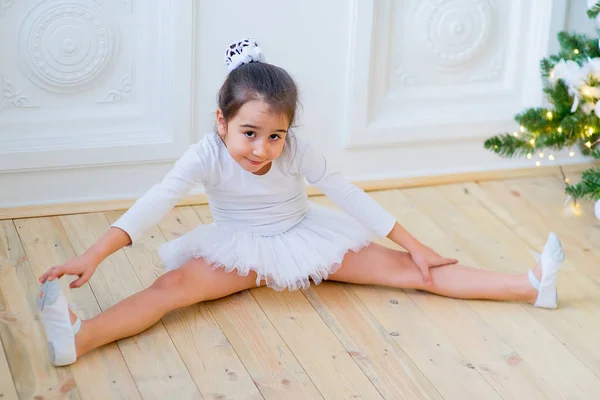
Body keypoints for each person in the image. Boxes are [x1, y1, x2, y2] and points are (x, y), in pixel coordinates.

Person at [36, 38, 565, 367]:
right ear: (221, 121)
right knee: (171, 289)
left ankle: (530, 285)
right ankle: (79, 339)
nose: (262, 149)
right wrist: (93, 256)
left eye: (276, 136)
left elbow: (346, 193)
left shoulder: (297, 152)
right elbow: (155, 202)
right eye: (249, 133)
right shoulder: (204, 155)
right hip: (239, 248)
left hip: (305, 237)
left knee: (413, 271)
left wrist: (417, 244)